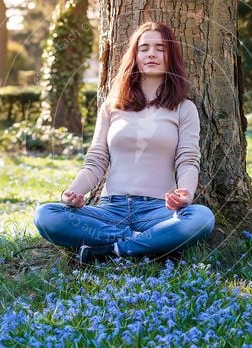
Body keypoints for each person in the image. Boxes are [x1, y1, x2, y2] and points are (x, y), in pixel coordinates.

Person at [33, 22, 215, 264]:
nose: (151, 53)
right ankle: (146, 243)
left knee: (201, 218)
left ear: (171, 56)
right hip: (109, 211)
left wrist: (186, 194)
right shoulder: (112, 106)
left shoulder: (184, 108)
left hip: (159, 211)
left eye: (160, 48)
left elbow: (188, 159)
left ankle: (110, 250)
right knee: (48, 215)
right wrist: (74, 193)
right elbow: (96, 159)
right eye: (144, 48)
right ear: (135, 56)